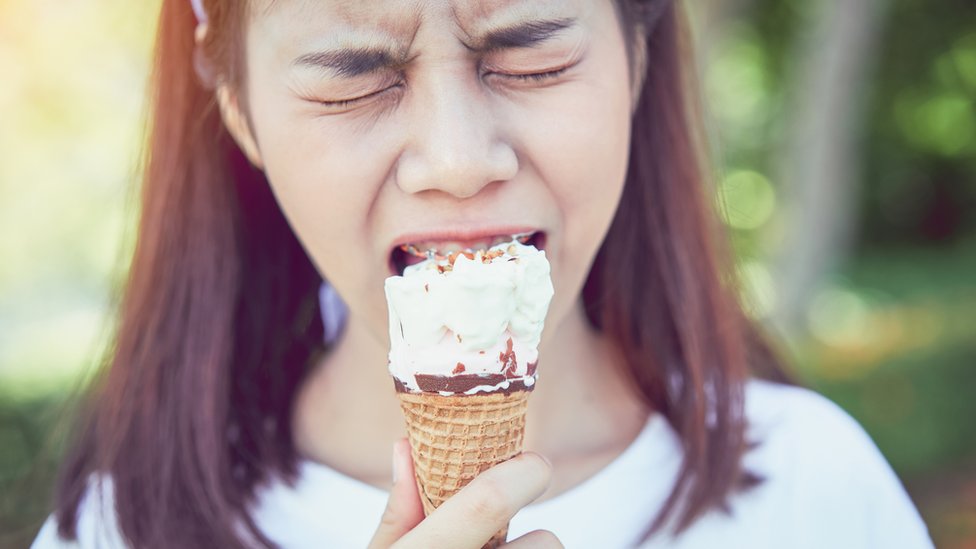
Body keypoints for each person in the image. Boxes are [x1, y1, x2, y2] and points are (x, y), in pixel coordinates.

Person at [32, 0, 934, 548]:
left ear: (637, 59)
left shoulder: (818, 490)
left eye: (530, 54)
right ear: (238, 108)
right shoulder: (117, 533)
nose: (458, 160)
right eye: (352, 80)